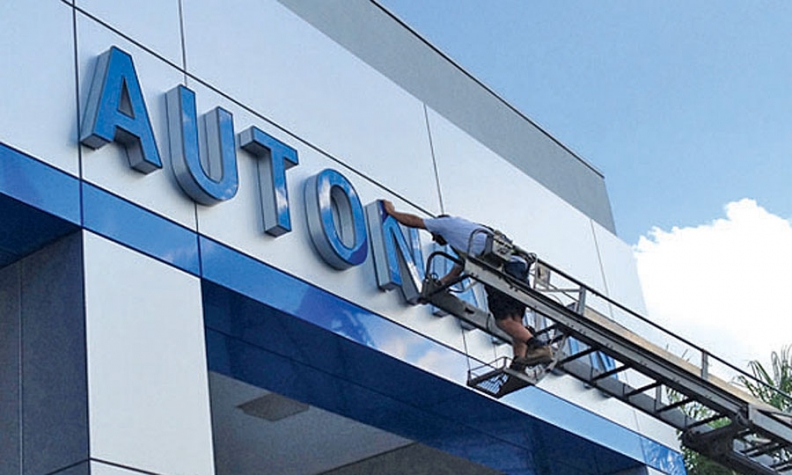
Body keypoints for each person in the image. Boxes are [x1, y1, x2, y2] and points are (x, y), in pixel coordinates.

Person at [382, 200, 553, 369]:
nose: (434, 237)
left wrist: (392, 212)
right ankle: (519, 363)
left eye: (434, 234)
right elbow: (456, 271)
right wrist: (439, 285)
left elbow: (415, 221)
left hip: (501, 272)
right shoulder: (467, 235)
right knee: (515, 320)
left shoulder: (446, 224)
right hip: (517, 267)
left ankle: (539, 347)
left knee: (503, 322)